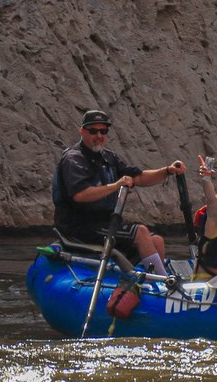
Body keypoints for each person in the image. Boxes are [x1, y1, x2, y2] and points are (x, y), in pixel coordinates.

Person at [51, 109, 185, 274]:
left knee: (157, 240)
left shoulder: (108, 157)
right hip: (80, 226)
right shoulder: (74, 159)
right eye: (93, 131)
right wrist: (116, 185)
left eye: (104, 131)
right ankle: (164, 283)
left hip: (104, 223)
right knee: (141, 231)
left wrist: (168, 171)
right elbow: (80, 194)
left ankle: (151, 284)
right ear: (82, 131)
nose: (99, 135)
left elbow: (139, 177)